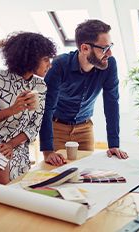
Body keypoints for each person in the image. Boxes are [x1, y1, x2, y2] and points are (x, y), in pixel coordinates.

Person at [0, 32, 56, 184]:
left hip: (16, 145)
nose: (50, 64)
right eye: (46, 59)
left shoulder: (40, 86)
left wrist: (11, 145)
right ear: (30, 58)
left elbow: (34, 127)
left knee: (12, 181)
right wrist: (12, 110)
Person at [39, 19, 128, 166]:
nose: (110, 53)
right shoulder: (59, 65)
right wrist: (47, 150)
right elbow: (47, 107)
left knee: (86, 173)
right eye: (105, 48)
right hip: (57, 128)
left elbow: (111, 103)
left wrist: (113, 144)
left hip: (85, 128)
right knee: (56, 174)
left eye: (110, 46)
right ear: (85, 48)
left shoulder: (109, 65)